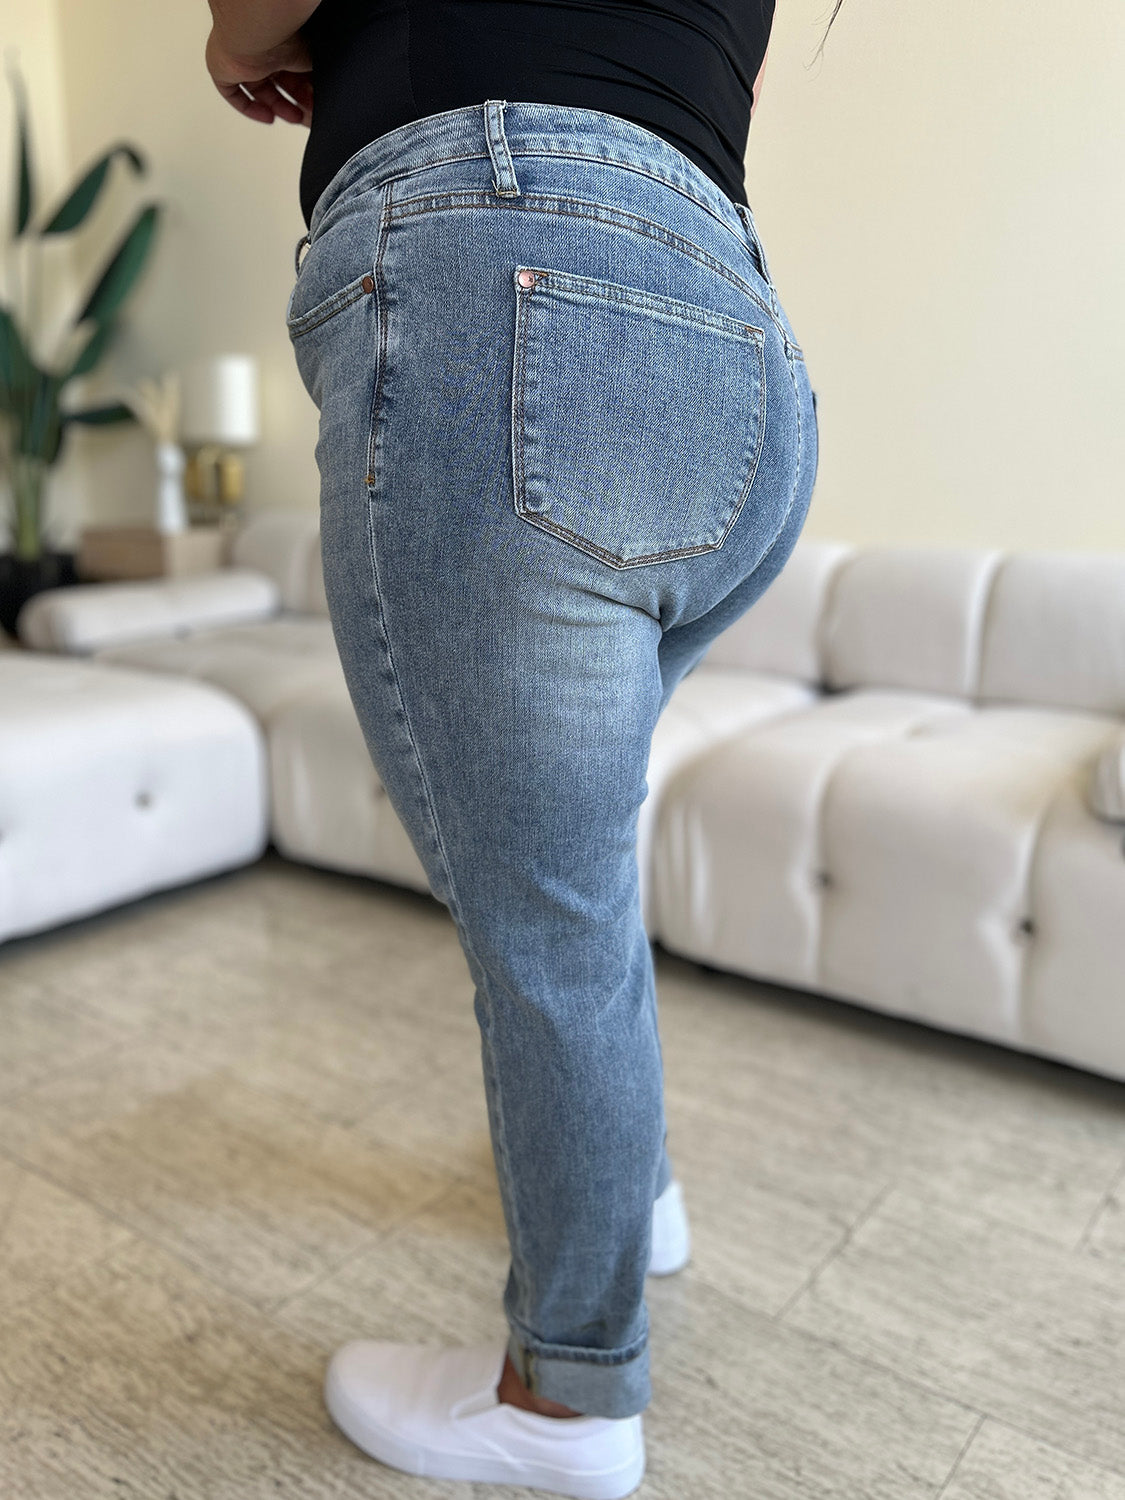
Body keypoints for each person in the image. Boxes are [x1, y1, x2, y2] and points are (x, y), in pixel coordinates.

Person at [205, 3, 817, 1495]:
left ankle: (567, 1403)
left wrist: (235, 38)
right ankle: (635, 1202)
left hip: (509, 274)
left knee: (541, 920)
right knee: (570, 879)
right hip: (733, 334)